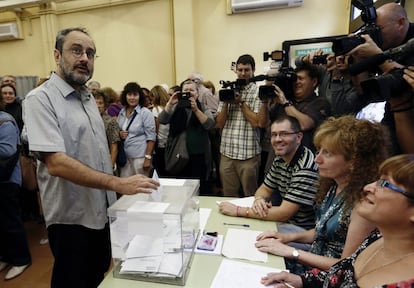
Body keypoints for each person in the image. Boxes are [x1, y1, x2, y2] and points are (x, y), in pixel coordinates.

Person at [23, 27, 159, 288]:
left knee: (98, 275)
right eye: (76, 50)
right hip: (71, 218)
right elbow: (56, 162)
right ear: (57, 55)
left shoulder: (87, 97)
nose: (85, 57)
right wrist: (117, 183)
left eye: (91, 53)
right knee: (73, 280)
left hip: (102, 211)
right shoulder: (40, 99)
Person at [255, 115, 389, 274]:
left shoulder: (363, 204)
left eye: (328, 153)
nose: (317, 159)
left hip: (325, 276)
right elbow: (321, 232)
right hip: (313, 259)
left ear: (354, 161)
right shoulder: (334, 186)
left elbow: (345, 266)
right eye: (319, 151)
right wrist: (287, 238)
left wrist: (292, 252)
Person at [261, 154, 414, 288]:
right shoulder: (375, 237)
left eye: (385, 184)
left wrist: (293, 252)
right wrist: (301, 281)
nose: (368, 187)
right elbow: (340, 276)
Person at [219, 115, 318, 232]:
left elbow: (284, 214)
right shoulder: (281, 158)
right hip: (284, 222)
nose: (278, 139)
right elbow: (264, 189)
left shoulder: (305, 168)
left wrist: (238, 211)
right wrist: (259, 200)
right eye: (274, 135)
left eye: (284, 134)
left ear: (299, 137)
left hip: (301, 230)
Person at [349, 2, 414, 154]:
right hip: (394, 110)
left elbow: (406, 82)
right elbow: (363, 90)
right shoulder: (383, 46)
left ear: (400, 23)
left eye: (378, 30)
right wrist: (359, 60)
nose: (375, 35)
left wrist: (378, 57)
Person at [215, 54, 269, 197]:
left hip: (249, 155)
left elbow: (258, 122)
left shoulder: (258, 91)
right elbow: (219, 124)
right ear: (236, 71)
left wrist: (241, 103)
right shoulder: (228, 89)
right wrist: (226, 102)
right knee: (229, 195)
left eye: (246, 70)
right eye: (240, 70)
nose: (243, 73)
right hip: (227, 153)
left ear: (253, 70)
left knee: (250, 196)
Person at [158, 79, 215, 195]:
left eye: (192, 90)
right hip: (179, 156)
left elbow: (209, 125)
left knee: (200, 188)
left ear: (197, 93)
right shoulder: (175, 107)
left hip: (199, 155)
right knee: (181, 190)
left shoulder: (203, 107)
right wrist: (169, 103)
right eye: (186, 90)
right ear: (180, 92)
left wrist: (196, 110)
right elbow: (162, 120)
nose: (189, 92)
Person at [0, 92, 32, 280]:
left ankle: (21, 259)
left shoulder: (5, 120)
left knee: (10, 221)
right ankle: (6, 256)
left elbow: (7, 150)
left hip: (7, 180)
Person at [269, 62, 331, 152]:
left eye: (300, 79)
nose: (296, 82)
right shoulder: (284, 101)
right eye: (294, 79)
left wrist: (285, 102)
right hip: (277, 160)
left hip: (304, 160)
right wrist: (265, 101)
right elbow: (264, 123)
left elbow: (304, 124)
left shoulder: (320, 102)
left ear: (314, 82)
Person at [117, 82, 156, 178]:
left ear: (140, 96)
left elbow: (151, 137)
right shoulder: (122, 112)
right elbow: (119, 129)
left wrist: (147, 158)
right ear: (125, 96)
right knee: (125, 187)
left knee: (141, 187)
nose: (132, 98)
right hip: (125, 157)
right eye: (129, 94)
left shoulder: (145, 113)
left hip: (140, 157)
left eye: (135, 95)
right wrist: (120, 134)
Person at [93, 90, 120, 172]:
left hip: (105, 160)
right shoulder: (86, 120)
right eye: (95, 103)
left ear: (105, 105)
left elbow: (114, 145)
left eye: (100, 103)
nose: (97, 106)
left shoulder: (110, 121)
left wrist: (111, 165)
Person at [150, 85, 170, 177]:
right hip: (170, 143)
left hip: (161, 144)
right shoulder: (169, 107)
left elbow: (156, 129)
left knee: (161, 172)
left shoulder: (155, 109)